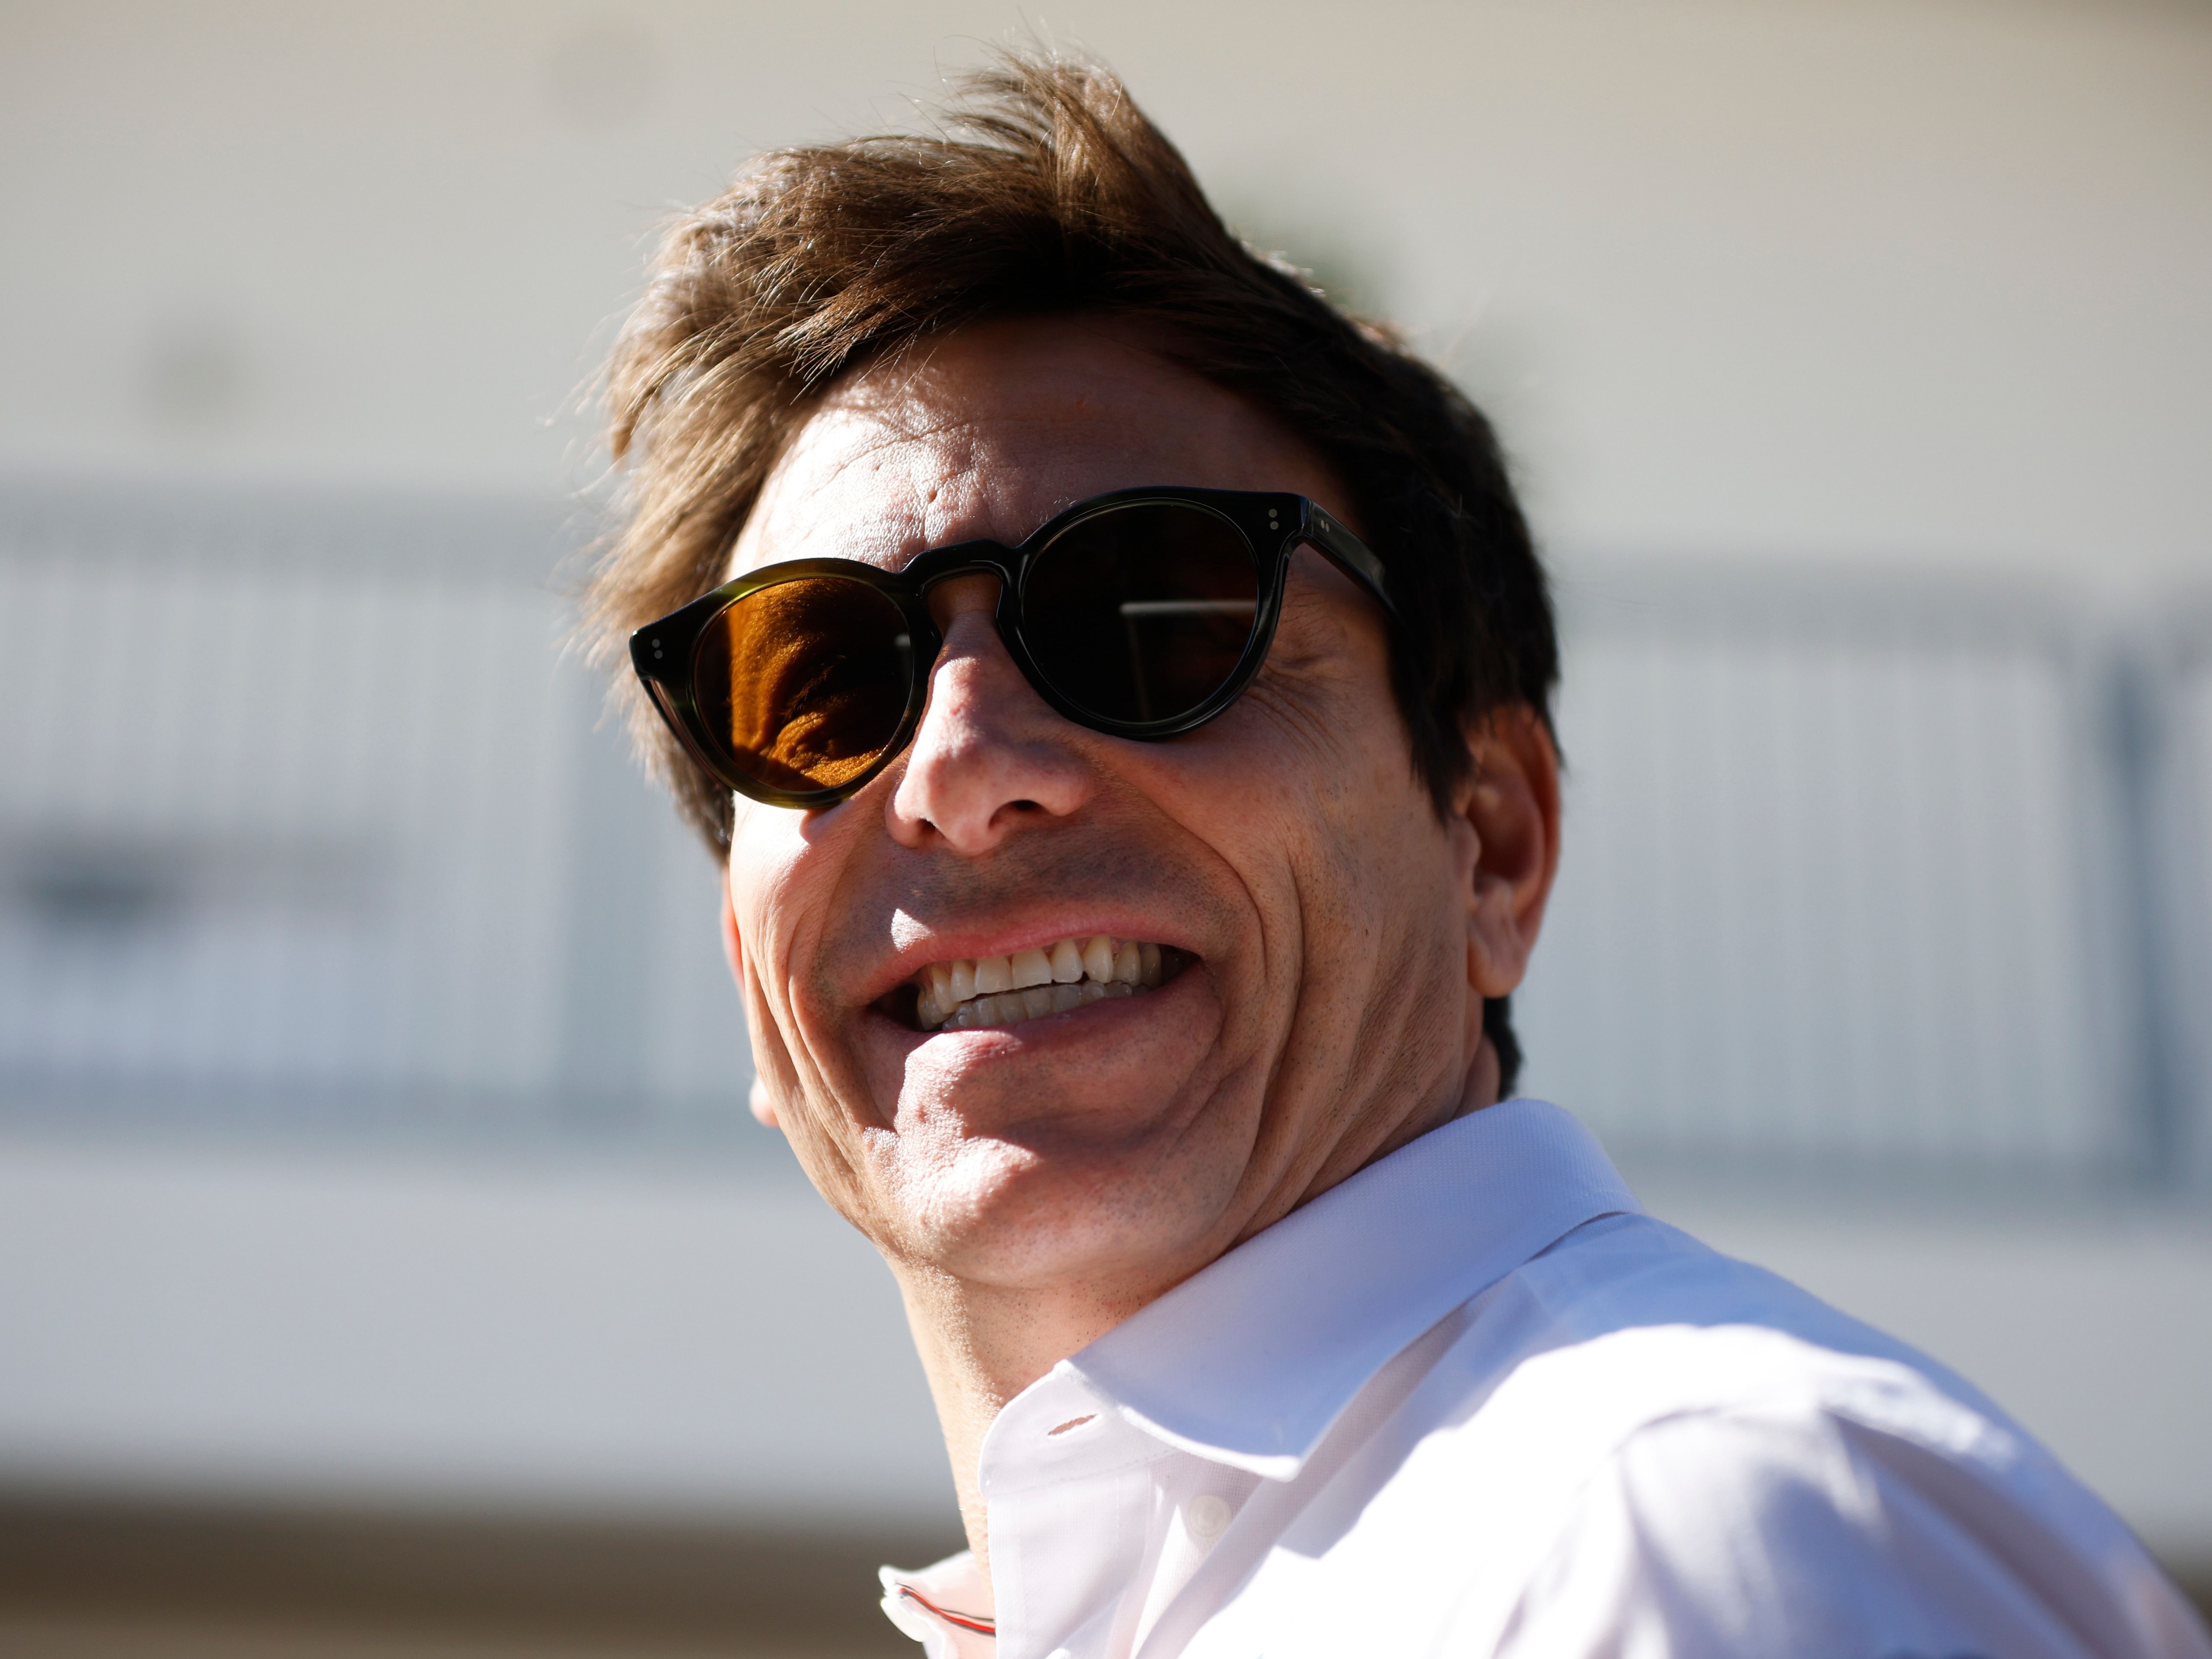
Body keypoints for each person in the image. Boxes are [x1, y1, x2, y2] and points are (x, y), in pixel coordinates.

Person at [588, 53, 2210, 1659]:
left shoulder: (1680, 1533)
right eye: (818, 681)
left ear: (1492, 840)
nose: (957, 771)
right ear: (753, 977)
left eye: (1154, 617)